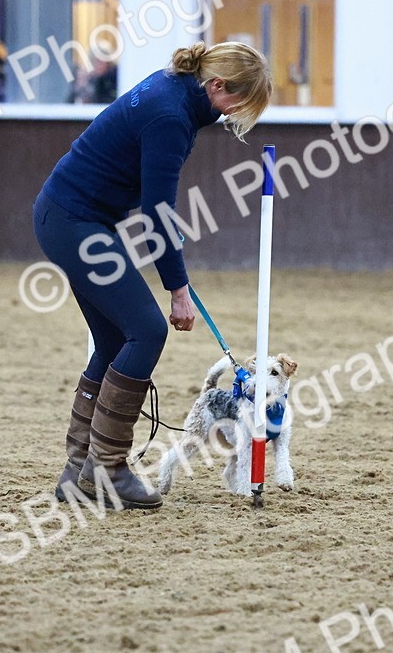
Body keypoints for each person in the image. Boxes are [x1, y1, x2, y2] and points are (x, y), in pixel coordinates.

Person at [32, 42, 272, 510]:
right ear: (216, 85)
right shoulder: (170, 117)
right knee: (146, 330)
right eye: (236, 105)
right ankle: (107, 471)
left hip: (74, 217)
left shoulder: (175, 91)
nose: (233, 117)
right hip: (72, 221)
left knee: (114, 340)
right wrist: (178, 289)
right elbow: (159, 212)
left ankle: (78, 471)